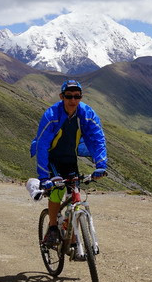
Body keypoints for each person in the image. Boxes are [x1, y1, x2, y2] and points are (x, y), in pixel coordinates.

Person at [30, 80, 107, 247]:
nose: (73, 100)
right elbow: (42, 145)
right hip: (52, 158)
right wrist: (44, 177)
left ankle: (74, 235)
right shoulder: (51, 115)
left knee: (75, 194)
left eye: (77, 96)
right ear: (61, 96)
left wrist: (101, 165)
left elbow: (97, 139)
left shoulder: (87, 114)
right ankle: (52, 228)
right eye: (69, 96)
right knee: (57, 190)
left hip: (70, 158)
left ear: (81, 97)